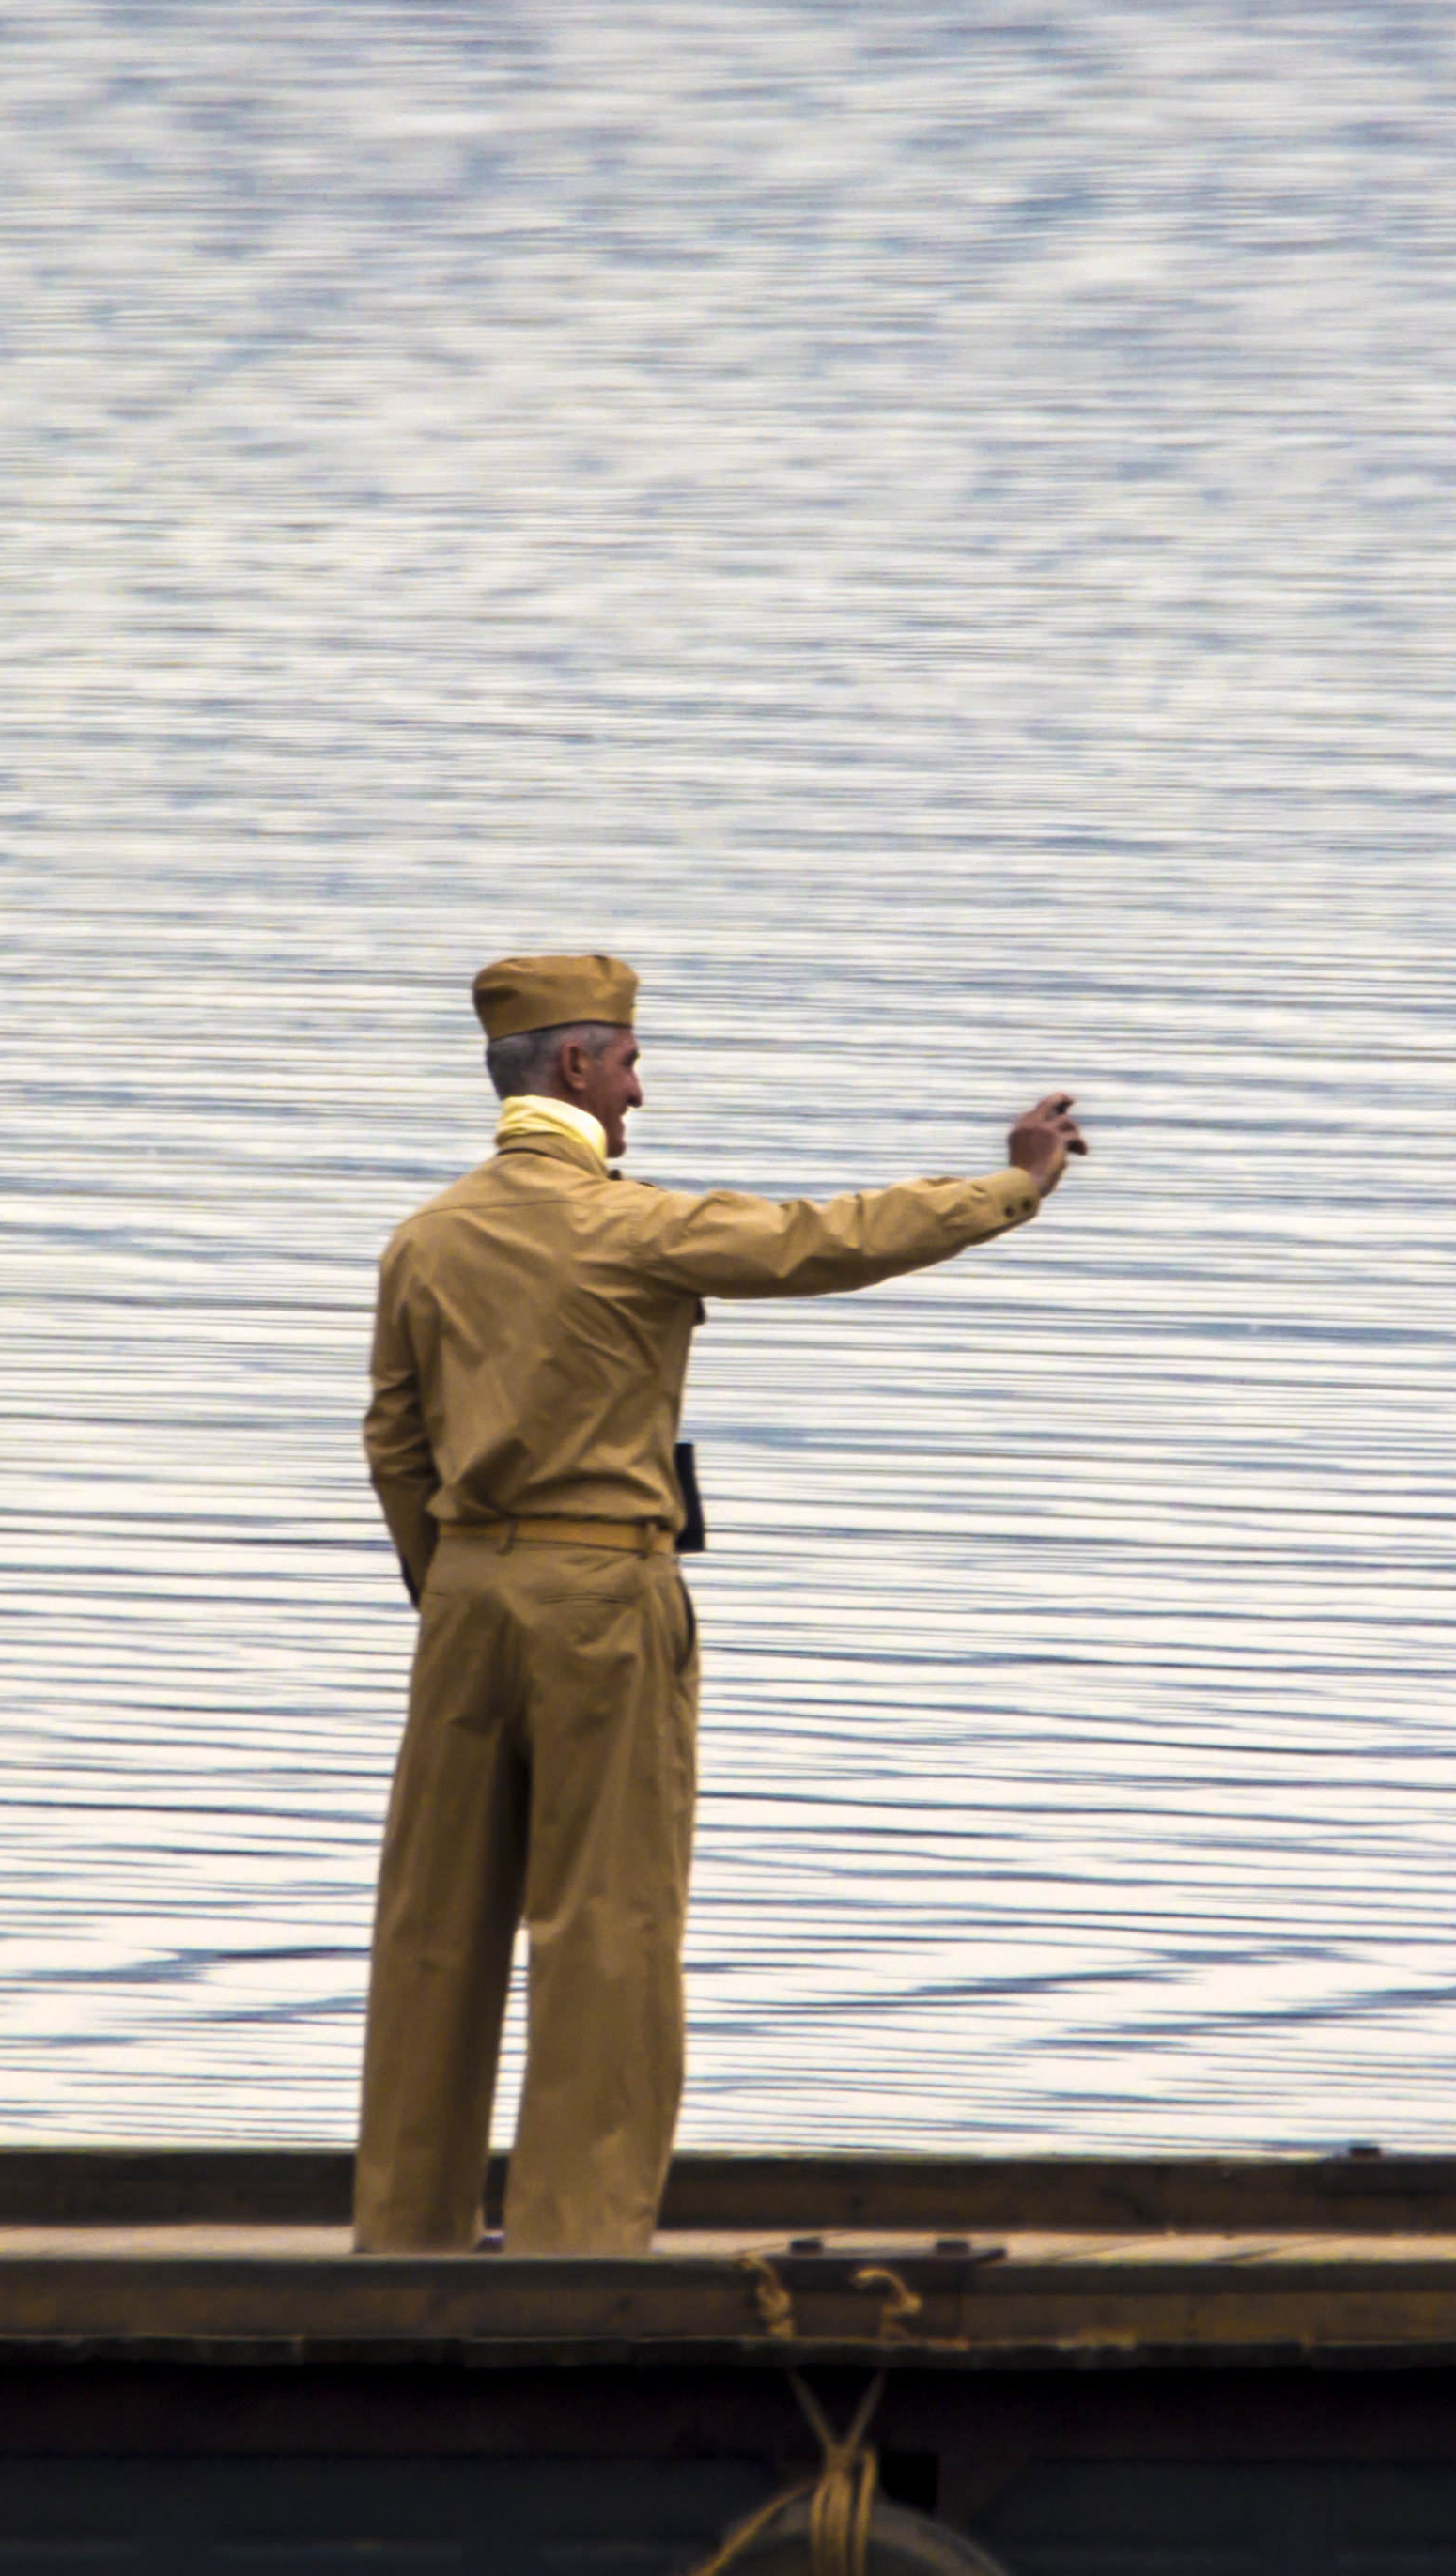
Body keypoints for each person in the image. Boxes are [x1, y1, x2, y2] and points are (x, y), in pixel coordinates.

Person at [353, 950, 1087, 2258]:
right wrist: (1011, 1186)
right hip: (601, 1592)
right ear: (576, 1066)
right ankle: (577, 2242)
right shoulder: (630, 1226)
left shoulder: (428, 1238)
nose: (642, 1088)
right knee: (606, 1921)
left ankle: (405, 2234)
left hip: (463, 1594)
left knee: (434, 1922)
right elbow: (831, 1239)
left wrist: (454, 1587)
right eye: (629, 1060)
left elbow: (394, 1445)